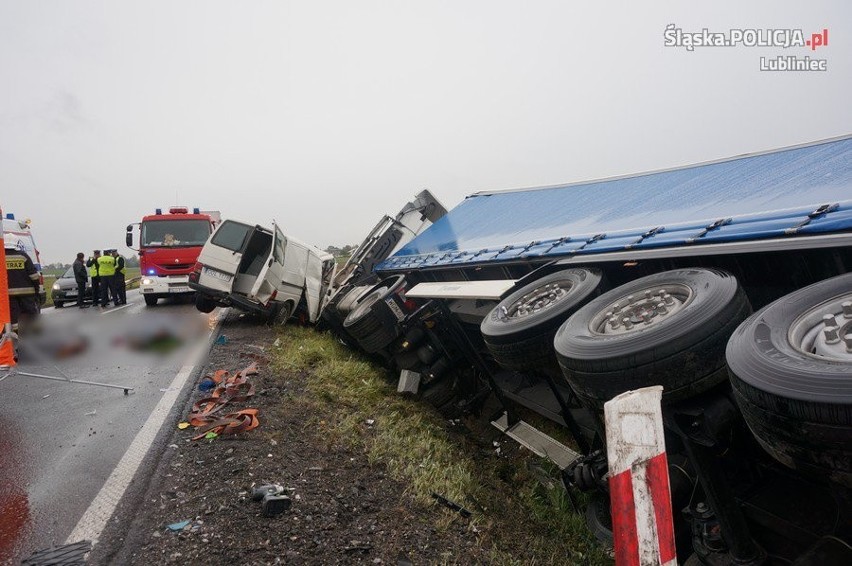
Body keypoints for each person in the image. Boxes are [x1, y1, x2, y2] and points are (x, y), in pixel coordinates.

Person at [4, 235, 40, 332]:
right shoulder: (23, 256)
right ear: (16, 243)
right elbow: (33, 275)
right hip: (27, 291)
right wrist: (36, 288)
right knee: (31, 311)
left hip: (9, 293)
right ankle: (36, 330)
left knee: (13, 312)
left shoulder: (1, 257)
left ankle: (16, 332)